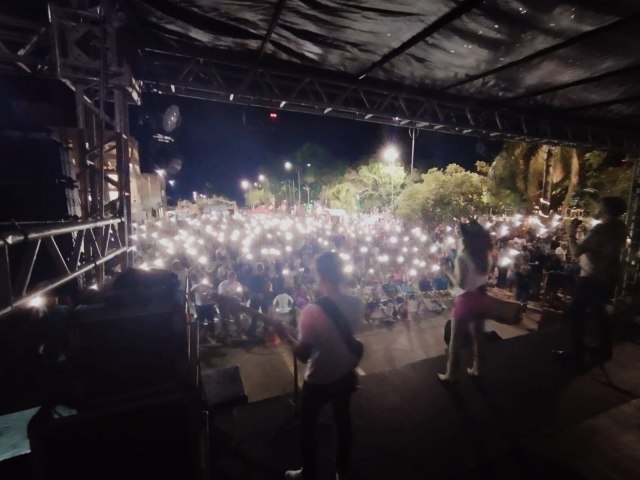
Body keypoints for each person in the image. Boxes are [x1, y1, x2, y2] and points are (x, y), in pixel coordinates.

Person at [285, 251, 364, 480]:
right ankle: (342, 470)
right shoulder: (356, 303)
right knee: (343, 420)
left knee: (307, 426)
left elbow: (303, 354)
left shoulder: (312, 311)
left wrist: (286, 338)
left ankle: (309, 472)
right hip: (346, 373)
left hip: (320, 378)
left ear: (320, 276)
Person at [553, 197, 627, 365]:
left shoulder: (601, 229)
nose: (597, 209)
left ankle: (576, 354)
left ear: (606, 209)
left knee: (576, 314)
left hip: (592, 277)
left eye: (600, 206)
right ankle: (604, 348)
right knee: (600, 311)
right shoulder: (619, 228)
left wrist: (571, 233)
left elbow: (577, 251)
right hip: (608, 277)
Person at [438, 221, 491, 381]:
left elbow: (461, 283)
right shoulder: (486, 256)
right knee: (478, 336)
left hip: (467, 300)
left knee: (455, 338)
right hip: (482, 297)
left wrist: (448, 272)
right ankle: (477, 368)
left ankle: (451, 374)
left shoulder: (463, 258)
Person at [217, 271, 243, 343]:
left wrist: (237, 294)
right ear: (228, 277)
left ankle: (239, 330)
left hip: (234, 302)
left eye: (234, 278)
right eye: (231, 278)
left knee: (237, 316)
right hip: (225, 302)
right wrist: (229, 294)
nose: (233, 280)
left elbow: (240, 293)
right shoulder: (223, 284)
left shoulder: (237, 284)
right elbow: (221, 294)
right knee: (225, 316)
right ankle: (225, 332)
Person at [246, 262, 272, 336]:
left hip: (263, 298)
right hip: (254, 299)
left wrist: (263, 294)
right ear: (256, 269)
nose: (260, 270)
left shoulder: (265, 277)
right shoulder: (251, 277)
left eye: (261, 269)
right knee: (254, 314)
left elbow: (268, 287)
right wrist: (256, 295)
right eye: (259, 269)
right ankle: (253, 329)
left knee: (265, 314)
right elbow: (248, 289)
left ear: (263, 269)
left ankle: (266, 328)